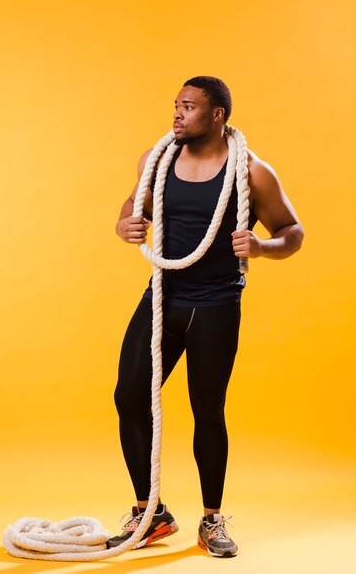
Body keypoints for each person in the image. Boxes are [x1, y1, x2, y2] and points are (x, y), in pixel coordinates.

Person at [109, 76, 304, 557]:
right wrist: (125, 223)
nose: (177, 113)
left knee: (207, 411)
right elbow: (135, 204)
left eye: (189, 106)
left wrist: (262, 246)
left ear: (217, 115)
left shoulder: (253, 172)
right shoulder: (157, 158)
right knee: (129, 396)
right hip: (163, 296)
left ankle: (212, 520)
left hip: (216, 305)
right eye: (175, 104)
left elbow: (293, 231)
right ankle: (150, 514)